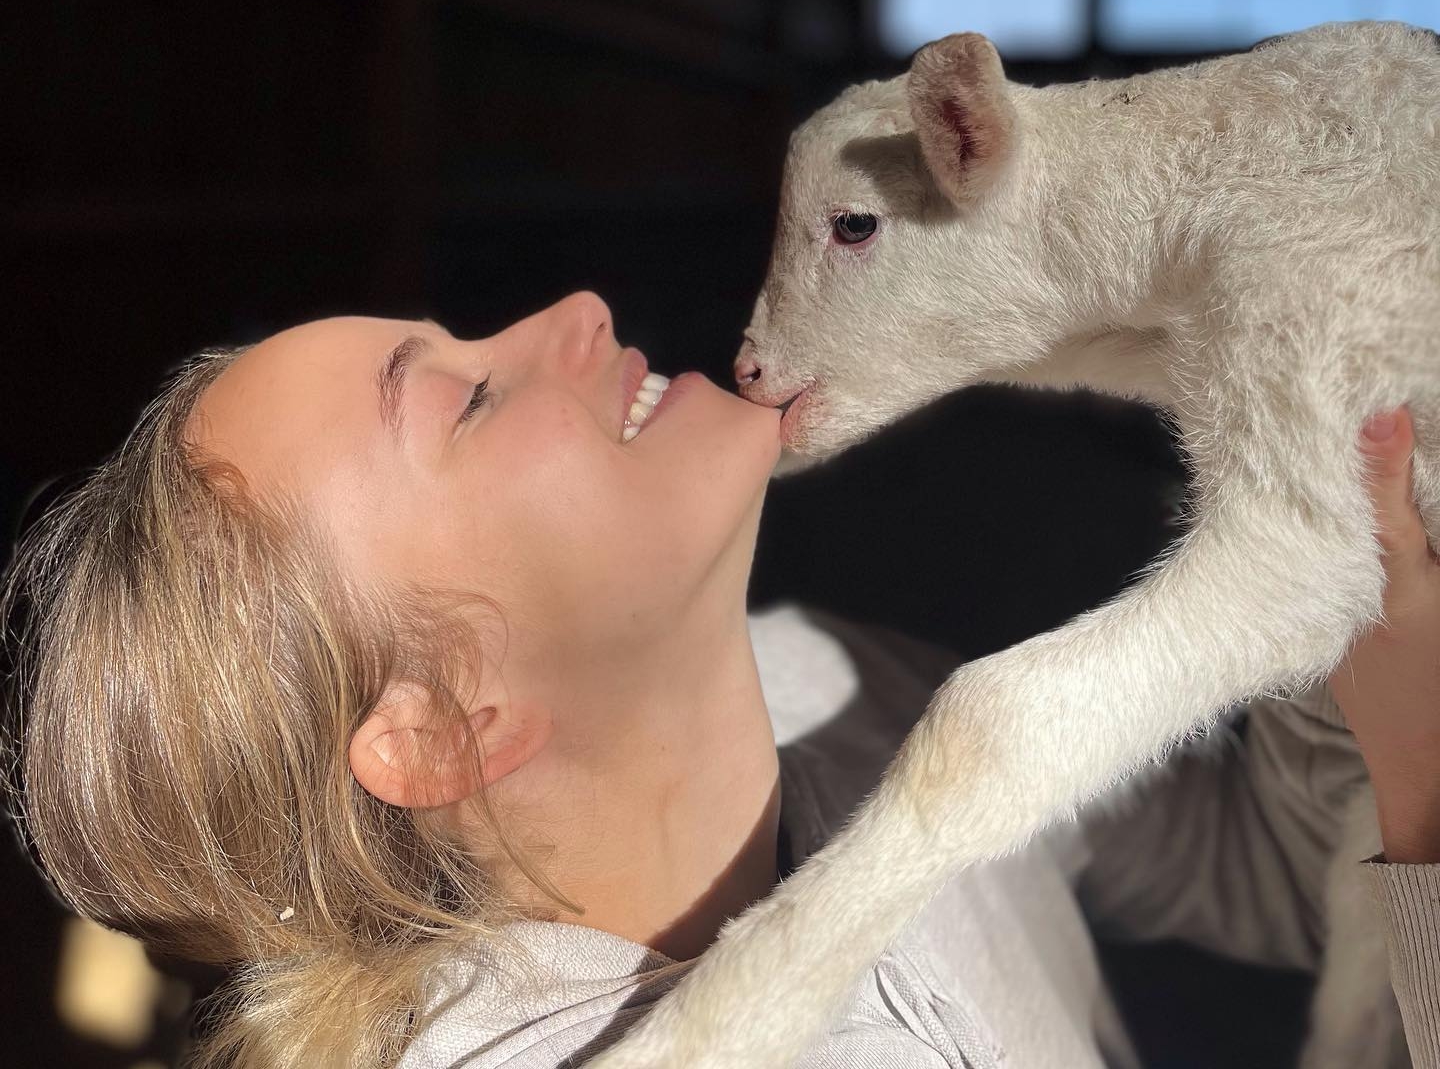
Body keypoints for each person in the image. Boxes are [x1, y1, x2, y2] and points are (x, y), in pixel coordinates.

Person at [3, 292, 1437, 1069]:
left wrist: (1359, 664)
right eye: (470, 398)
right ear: (443, 726)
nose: (572, 308)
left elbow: (1252, 871)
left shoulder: (828, 686)